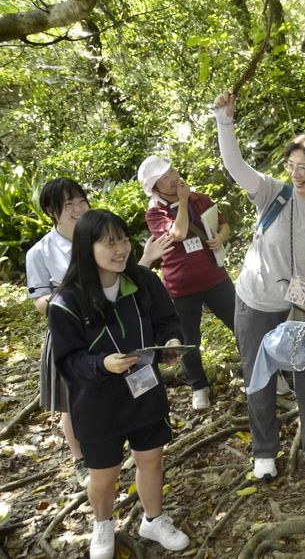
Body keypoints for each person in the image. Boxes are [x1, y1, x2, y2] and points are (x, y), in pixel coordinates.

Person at [213, 90, 305, 479]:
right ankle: (264, 451)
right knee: (259, 375)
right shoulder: (273, 193)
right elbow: (236, 167)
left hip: (298, 308)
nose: (296, 173)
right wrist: (225, 120)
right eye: (292, 165)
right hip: (253, 302)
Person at [48, 210, 190, 559]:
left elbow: (167, 321)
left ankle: (153, 519)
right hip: (97, 402)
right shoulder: (66, 302)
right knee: (104, 473)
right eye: (109, 243)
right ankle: (102, 525)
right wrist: (103, 364)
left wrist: (171, 343)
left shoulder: (142, 280)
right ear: (86, 247)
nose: (121, 249)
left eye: (124, 239)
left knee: (151, 459)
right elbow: (68, 361)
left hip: (145, 390)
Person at [26, 179, 173, 487]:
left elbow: (128, 276)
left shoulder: (103, 231)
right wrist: (70, 300)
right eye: (69, 205)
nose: (78, 209)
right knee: (74, 400)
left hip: (118, 323)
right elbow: (40, 299)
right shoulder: (40, 252)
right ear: (52, 212)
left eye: (81, 201)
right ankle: (84, 460)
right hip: (72, 327)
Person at [137, 155, 237, 410]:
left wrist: (220, 237)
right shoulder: (155, 213)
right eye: (164, 178)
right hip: (181, 288)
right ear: (155, 188)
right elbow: (179, 234)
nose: (173, 179)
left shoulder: (200, 198)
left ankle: (264, 372)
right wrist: (183, 201)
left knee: (242, 324)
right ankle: (198, 386)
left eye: (172, 171)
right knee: (187, 340)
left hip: (215, 277)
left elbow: (224, 224)